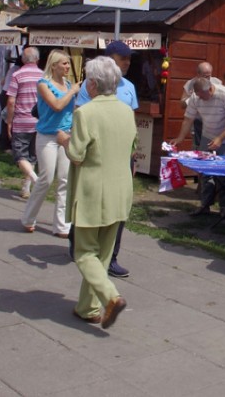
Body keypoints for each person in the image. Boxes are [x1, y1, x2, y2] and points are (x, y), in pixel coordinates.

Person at [59, 56, 136, 328]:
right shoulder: (127, 111)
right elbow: (131, 147)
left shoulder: (86, 112)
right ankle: (87, 307)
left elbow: (77, 156)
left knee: (84, 252)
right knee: (102, 254)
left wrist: (64, 140)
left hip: (93, 191)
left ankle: (110, 297)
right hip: (120, 189)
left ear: (92, 83)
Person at [74, 40, 137, 278]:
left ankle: (111, 257)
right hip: (96, 154)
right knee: (91, 208)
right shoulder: (89, 87)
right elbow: (81, 117)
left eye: (129, 59)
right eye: (124, 59)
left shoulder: (129, 87)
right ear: (111, 60)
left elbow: (131, 124)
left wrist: (132, 157)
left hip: (120, 156)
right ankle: (80, 244)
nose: (128, 63)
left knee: (116, 212)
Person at [21, 50, 80, 236]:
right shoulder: (43, 84)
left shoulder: (68, 84)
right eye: (63, 63)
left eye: (68, 64)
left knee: (64, 179)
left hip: (66, 134)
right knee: (46, 178)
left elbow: (71, 108)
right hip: (47, 135)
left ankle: (61, 226)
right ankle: (29, 217)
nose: (67, 67)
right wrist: (72, 92)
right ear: (53, 65)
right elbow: (56, 105)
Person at [169, 76, 225, 216]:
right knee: (205, 173)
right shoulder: (195, 98)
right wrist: (180, 138)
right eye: (197, 94)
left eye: (201, 95)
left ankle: (224, 207)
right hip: (207, 136)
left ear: (210, 89)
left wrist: (220, 138)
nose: (199, 98)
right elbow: (188, 119)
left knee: (224, 174)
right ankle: (205, 205)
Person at [6, 47, 41, 199]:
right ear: (37, 60)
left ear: (22, 59)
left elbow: (11, 101)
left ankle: (35, 181)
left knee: (19, 155)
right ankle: (26, 188)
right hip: (39, 121)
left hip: (21, 120)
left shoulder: (17, 75)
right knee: (32, 156)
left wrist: (9, 121)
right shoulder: (43, 76)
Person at [180, 62, 222, 150]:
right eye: (205, 76)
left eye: (209, 76)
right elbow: (182, 105)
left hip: (213, 123)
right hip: (198, 123)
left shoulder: (217, 82)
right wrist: (190, 98)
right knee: (198, 149)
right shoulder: (190, 84)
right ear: (198, 74)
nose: (208, 78)